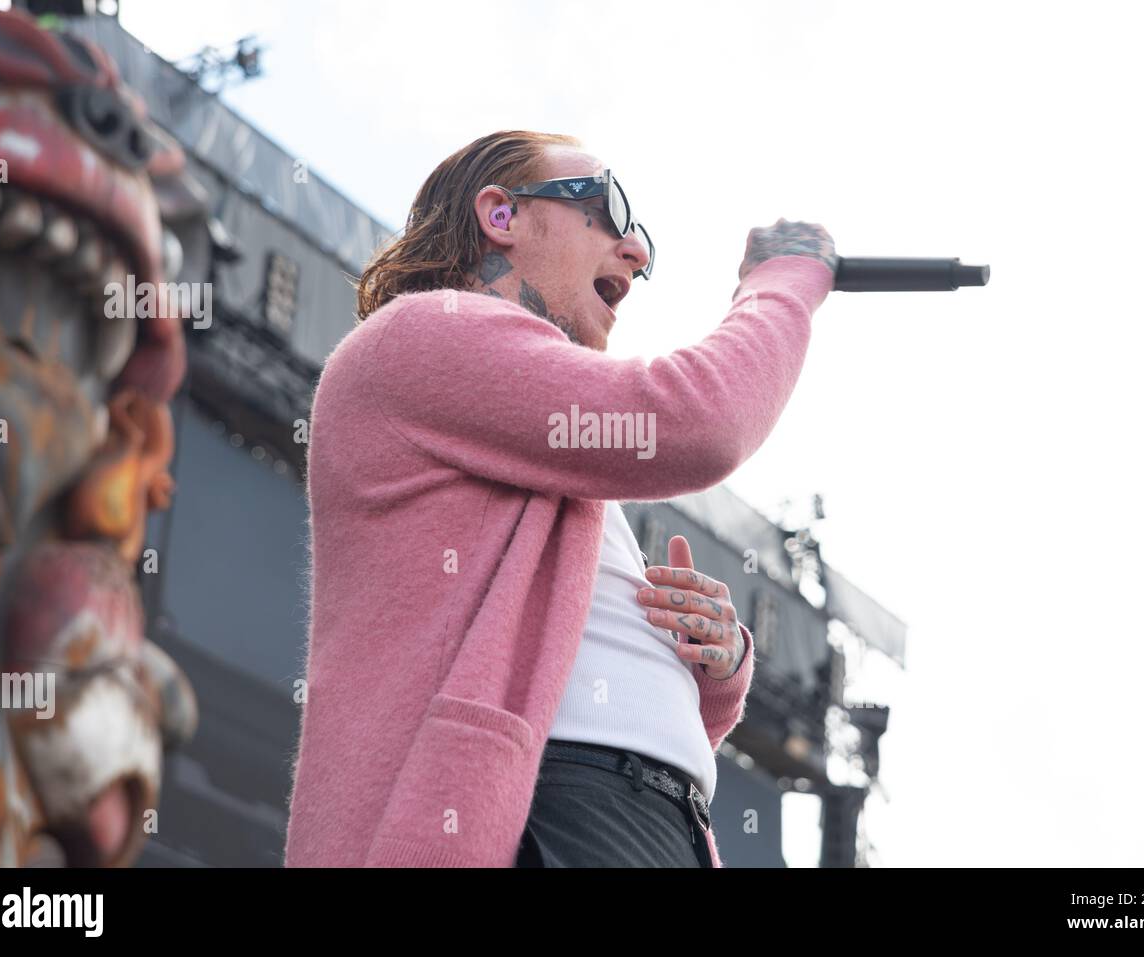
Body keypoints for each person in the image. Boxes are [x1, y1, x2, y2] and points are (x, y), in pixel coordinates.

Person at [284, 130, 836, 867]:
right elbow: (696, 422)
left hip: (649, 818)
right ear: (501, 216)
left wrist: (714, 666)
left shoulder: (533, 452)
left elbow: (564, 674)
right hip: (552, 810)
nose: (636, 254)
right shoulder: (422, 335)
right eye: (608, 207)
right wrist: (780, 284)